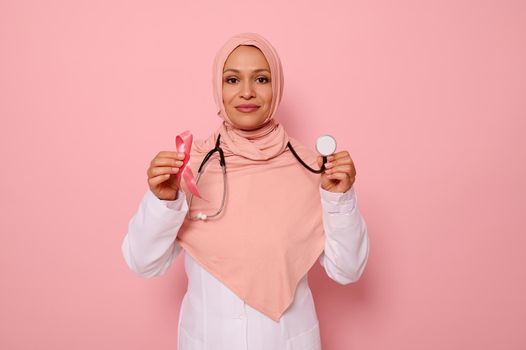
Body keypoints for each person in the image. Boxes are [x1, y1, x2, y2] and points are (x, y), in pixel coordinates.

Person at [121, 33, 369, 350]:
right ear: (218, 88)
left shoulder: (311, 168)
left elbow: (347, 270)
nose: (247, 92)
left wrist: (339, 199)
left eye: (262, 79)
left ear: (276, 86)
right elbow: (143, 263)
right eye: (232, 79)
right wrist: (163, 200)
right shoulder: (192, 166)